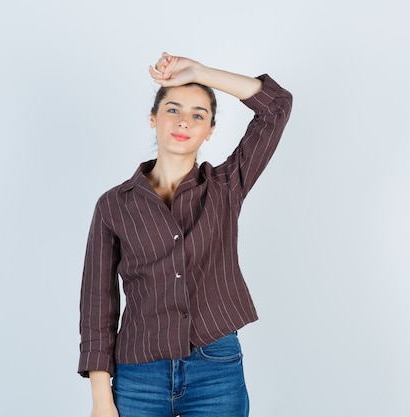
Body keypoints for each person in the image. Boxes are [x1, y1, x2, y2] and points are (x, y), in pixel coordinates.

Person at [78, 52, 293, 417]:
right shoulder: (113, 205)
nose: (184, 122)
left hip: (216, 368)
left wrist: (201, 72)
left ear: (209, 130)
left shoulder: (226, 187)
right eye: (173, 109)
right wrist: (101, 396)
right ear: (153, 119)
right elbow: (97, 304)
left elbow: (276, 107)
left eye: (198, 115)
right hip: (138, 372)